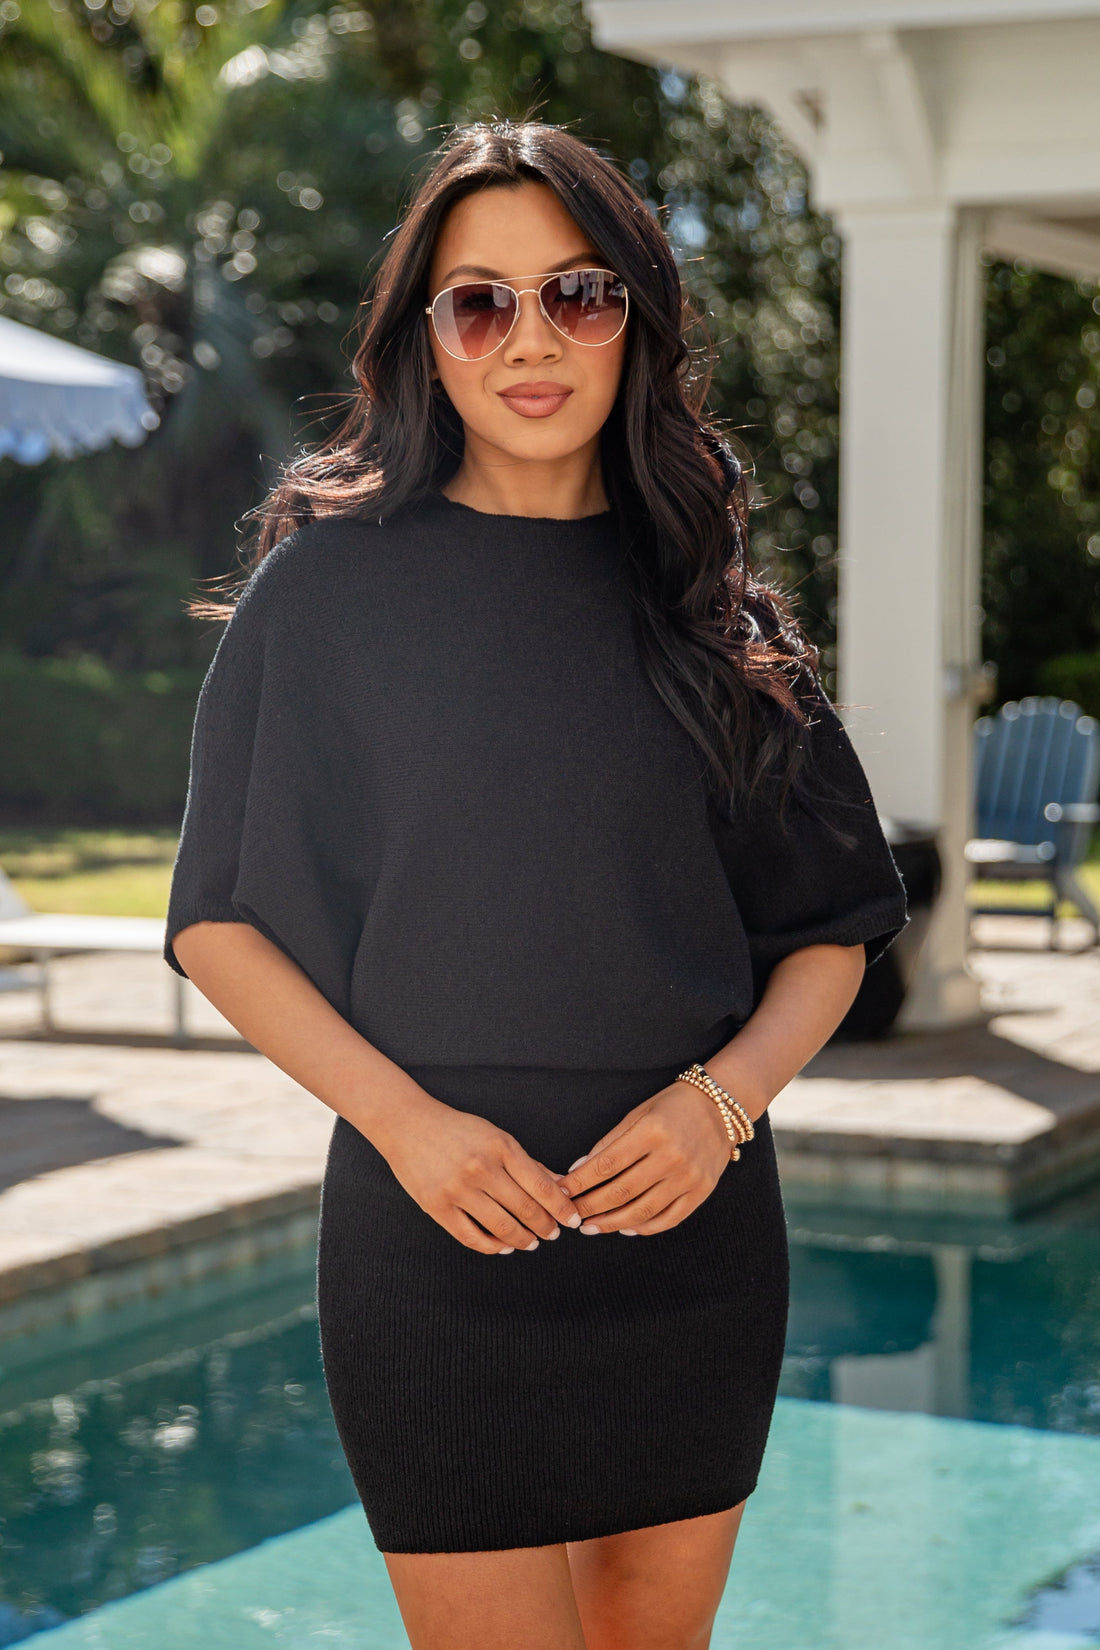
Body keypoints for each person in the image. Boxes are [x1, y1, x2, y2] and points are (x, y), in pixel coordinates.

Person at [164, 120, 908, 1650]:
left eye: (576, 293)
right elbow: (219, 922)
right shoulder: (329, 592)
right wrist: (409, 1128)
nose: (529, 340)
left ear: (635, 314)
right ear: (423, 339)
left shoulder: (711, 605)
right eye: (478, 301)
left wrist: (721, 1109)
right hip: (436, 1230)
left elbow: (829, 929)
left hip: (688, 1228)